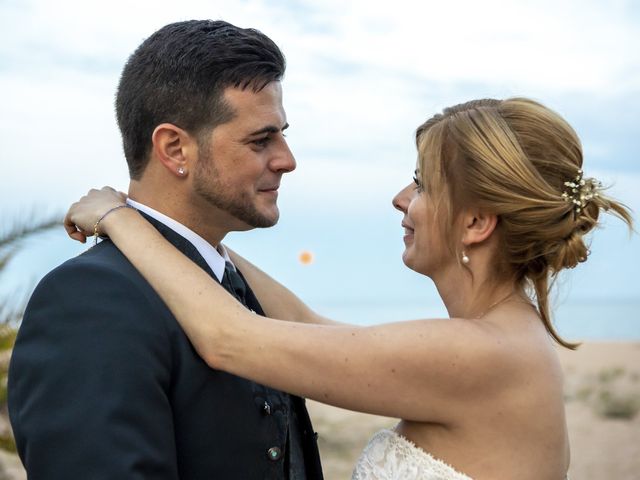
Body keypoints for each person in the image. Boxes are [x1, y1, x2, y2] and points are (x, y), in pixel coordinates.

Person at [64, 97, 632, 480]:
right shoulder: (501, 340)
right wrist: (192, 234)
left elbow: (231, 340)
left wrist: (119, 216)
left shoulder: (483, 354)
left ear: (477, 223)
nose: (401, 199)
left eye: (422, 183)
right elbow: (309, 327)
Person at [8, 20, 323, 479]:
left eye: (282, 134)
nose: (286, 159)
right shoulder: (89, 300)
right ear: (175, 149)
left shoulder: (230, 280)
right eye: (261, 139)